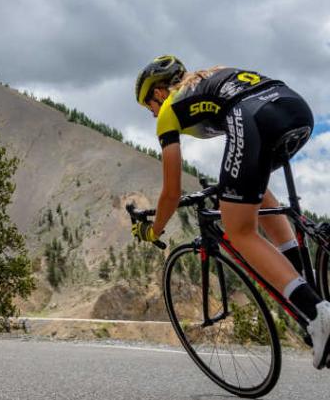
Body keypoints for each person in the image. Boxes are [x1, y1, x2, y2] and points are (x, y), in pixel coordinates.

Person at [133, 55, 330, 369]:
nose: (152, 114)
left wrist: (153, 229)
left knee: (239, 230)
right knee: (253, 192)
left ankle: (318, 312)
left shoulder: (170, 109)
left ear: (158, 93)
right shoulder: (209, 76)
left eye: (149, 107)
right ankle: (306, 285)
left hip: (251, 116)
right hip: (293, 106)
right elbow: (245, 162)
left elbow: (171, 192)